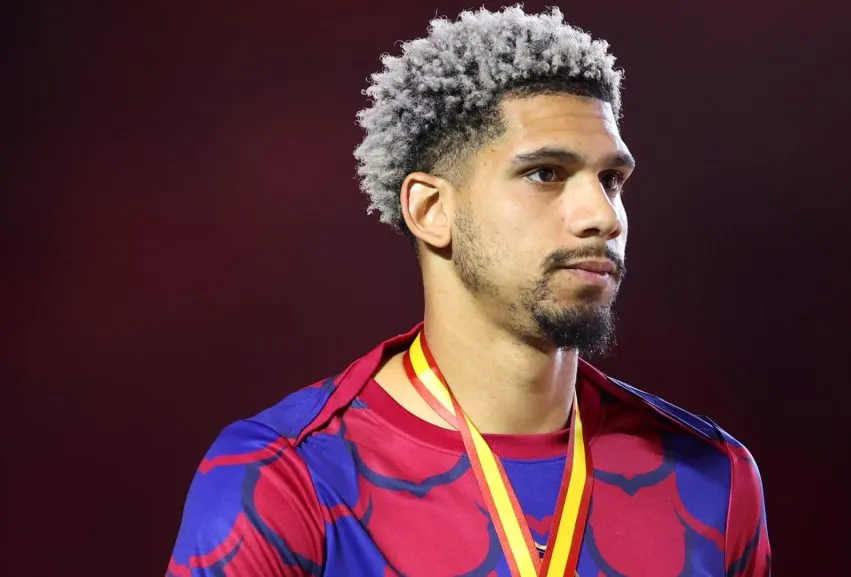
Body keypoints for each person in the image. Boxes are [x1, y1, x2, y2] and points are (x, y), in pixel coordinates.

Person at [166, 5, 771, 576]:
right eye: (545, 174)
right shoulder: (286, 475)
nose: (603, 217)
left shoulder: (712, 478)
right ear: (431, 209)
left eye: (610, 180)